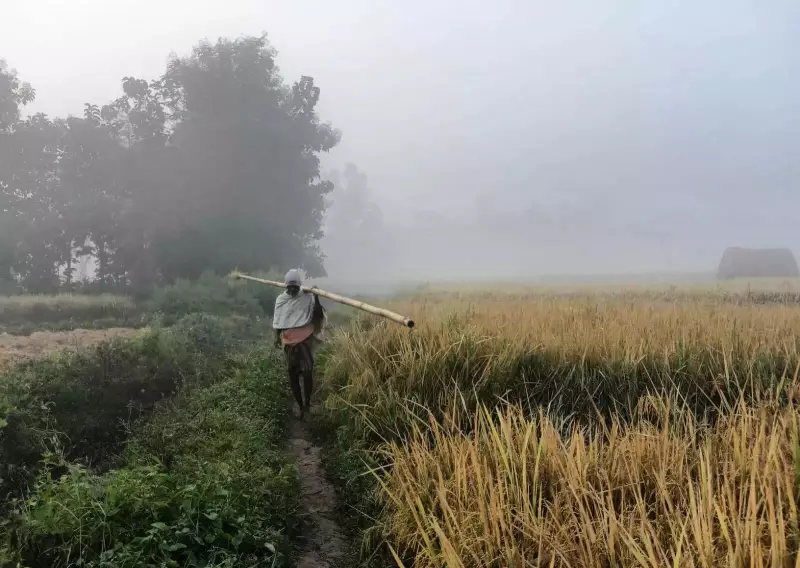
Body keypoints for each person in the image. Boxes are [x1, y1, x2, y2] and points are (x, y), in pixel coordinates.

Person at [272, 269, 325, 420]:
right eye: (290, 288)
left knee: (308, 373)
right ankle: (300, 406)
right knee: (293, 375)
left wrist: (316, 296)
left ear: (299, 286)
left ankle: (307, 405)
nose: (293, 290)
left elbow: (318, 315)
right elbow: (278, 320)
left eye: (295, 288)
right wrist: (276, 337)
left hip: (305, 340)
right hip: (289, 342)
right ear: (286, 287)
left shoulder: (307, 296)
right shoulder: (281, 300)